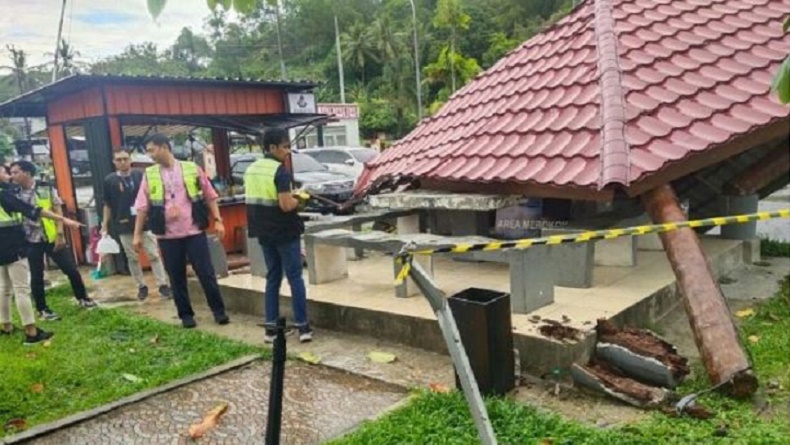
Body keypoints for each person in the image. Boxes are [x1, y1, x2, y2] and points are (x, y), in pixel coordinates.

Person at [132, 134, 229, 329]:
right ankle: (185, 314)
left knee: (206, 274)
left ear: (164, 147)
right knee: (176, 277)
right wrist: (136, 235)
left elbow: (210, 196)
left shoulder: (191, 168)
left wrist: (218, 220)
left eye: (152, 150)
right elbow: (142, 207)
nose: (149, 155)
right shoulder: (149, 174)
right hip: (167, 235)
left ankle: (219, 311)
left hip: (193, 231)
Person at [244, 128, 312, 343]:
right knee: (295, 278)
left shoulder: (251, 170)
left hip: (264, 233)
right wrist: (300, 199)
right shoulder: (280, 171)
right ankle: (303, 328)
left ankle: (270, 329)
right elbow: (285, 205)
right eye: (284, 147)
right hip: (284, 231)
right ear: (271, 147)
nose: (288, 151)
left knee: (273, 278)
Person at [0, 165, 82, 344]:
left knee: (4, 287)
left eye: (12, 172)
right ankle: (31, 332)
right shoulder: (5, 194)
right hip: (13, 246)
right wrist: (63, 219)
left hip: (13, 246)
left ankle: (5, 325)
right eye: (5, 172)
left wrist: (59, 229)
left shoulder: (40, 188)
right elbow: (33, 211)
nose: (9, 176)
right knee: (21, 289)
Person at [10, 161, 97, 321]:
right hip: (29, 240)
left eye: (16, 172)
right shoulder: (13, 192)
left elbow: (57, 208)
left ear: (27, 173)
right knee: (37, 275)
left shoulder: (45, 187)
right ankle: (42, 309)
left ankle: (83, 298)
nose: (12, 176)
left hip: (50, 237)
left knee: (70, 269)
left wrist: (60, 233)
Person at [101, 148, 171, 301]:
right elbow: (107, 204)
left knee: (153, 254)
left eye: (125, 158)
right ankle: (141, 286)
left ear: (130, 159)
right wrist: (104, 225)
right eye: (119, 160)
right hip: (123, 223)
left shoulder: (141, 175)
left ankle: (163, 285)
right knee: (132, 257)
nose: (123, 162)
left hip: (146, 222)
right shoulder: (110, 180)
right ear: (114, 162)